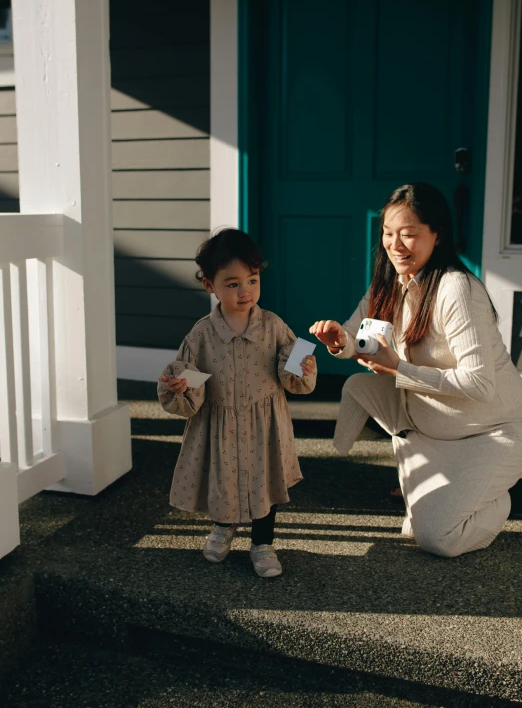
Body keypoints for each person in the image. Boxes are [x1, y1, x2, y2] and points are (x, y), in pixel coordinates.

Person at [310, 183, 522, 558]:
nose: (396, 244)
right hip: (429, 423)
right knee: (359, 386)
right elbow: (357, 336)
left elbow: (480, 384)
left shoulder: (456, 288)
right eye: (389, 234)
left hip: (491, 431)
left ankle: (498, 499)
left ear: (437, 235)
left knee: (437, 537)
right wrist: (337, 340)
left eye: (409, 234)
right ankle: (424, 478)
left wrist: (399, 368)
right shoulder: (390, 282)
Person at [158, 228, 317, 577]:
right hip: (220, 425)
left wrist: (300, 367)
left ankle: (262, 543)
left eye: (252, 280)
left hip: (265, 424)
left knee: (265, 481)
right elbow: (190, 380)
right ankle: (223, 525)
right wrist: (181, 385)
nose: (245, 291)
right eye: (232, 283)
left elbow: (294, 373)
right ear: (209, 285)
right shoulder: (201, 334)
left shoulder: (274, 327)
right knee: (223, 476)